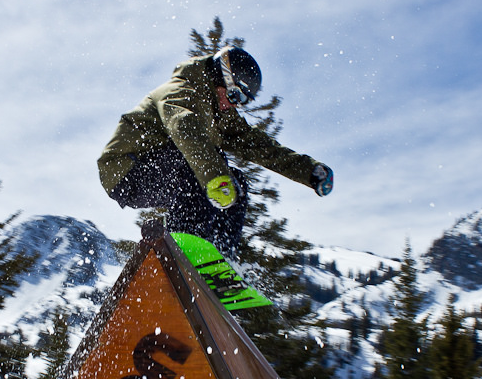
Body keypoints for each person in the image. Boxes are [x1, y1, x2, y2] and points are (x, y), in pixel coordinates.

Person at [98, 46, 333, 255]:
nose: (234, 104)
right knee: (204, 164)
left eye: (242, 101)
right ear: (222, 77)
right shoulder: (180, 89)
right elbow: (184, 128)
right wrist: (215, 177)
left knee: (237, 183)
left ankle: (219, 257)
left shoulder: (220, 113)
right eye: (234, 94)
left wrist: (307, 171)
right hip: (126, 169)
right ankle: (184, 250)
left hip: (163, 167)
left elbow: (258, 145)